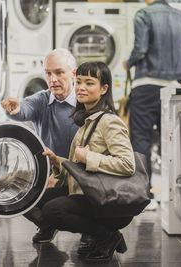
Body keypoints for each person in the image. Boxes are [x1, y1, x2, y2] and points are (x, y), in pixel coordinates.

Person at [41, 61, 135, 264]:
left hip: (107, 199)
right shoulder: (87, 121)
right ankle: (99, 235)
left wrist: (88, 157)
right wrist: (58, 162)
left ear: (104, 89)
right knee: (40, 197)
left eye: (89, 83)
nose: (81, 87)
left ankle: (106, 235)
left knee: (53, 210)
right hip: (89, 192)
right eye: (79, 82)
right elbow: (79, 171)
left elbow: (128, 164)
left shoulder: (109, 121)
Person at [123, 0, 181, 195]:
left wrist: (129, 62)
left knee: (142, 140)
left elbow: (141, 49)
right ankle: (174, 194)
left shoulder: (143, 14)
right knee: (172, 140)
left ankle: (144, 194)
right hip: (173, 89)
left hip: (145, 87)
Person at [1, 48, 80, 244]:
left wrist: (63, 174)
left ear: (73, 74)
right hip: (49, 170)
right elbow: (23, 109)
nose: (52, 79)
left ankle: (90, 231)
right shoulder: (42, 99)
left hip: (81, 172)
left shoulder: (85, 100)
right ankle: (47, 224)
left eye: (59, 72)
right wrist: (14, 109)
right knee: (7, 186)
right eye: (48, 73)